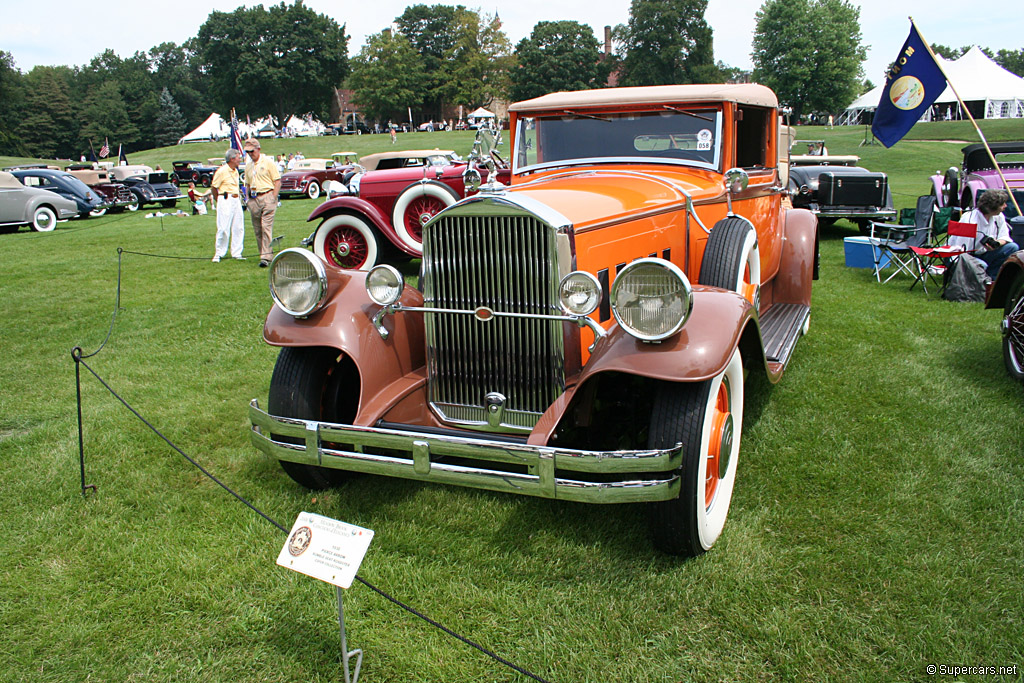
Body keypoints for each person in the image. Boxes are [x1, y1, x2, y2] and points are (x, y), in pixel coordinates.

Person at [950, 188, 1020, 280]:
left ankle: (991, 279)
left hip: (984, 253)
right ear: (993, 207)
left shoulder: (999, 216)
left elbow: (1005, 236)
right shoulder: (969, 220)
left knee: (1012, 247)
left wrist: (997, 243)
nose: (1005, 206)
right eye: (1002, 204)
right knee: (982, 265)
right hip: (963, 256)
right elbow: (960, 250)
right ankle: (982, 280)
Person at [243, 138, 281, 267]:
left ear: (258, 149)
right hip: (254, 199)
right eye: (248, 152)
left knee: (266, 227)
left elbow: (277, 181)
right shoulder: (248, 166)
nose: (250, 154)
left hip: (267, 196)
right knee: (258, 229)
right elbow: (247, 183)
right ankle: (262, 254)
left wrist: (273, 197)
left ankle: (266, 256)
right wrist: (247, 199)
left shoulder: (268, 163)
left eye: (252, 151)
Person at [209, 149, 245, 262]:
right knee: (223, 227)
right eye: (238, 157)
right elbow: (214, 187)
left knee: (238, 227)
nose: (240, 160)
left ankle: (237, 252)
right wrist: (219, 200)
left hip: (236, 199)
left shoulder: (236, 171)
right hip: (225, 198)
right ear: (232, 159)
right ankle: (219, 253)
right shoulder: (222, 171)